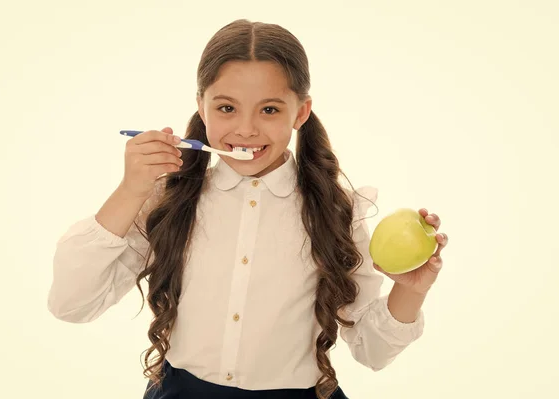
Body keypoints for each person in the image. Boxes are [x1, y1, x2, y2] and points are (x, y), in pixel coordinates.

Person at [48, 19, 449, 399]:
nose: (246, 129)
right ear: (201, 107)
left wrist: (410, 290)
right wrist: (130, 190)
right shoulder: (167, 202)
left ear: (301, 112)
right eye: (226, 108)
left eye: (269, 110)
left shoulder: (338, 211)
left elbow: (372, 353)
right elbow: (71, 305)